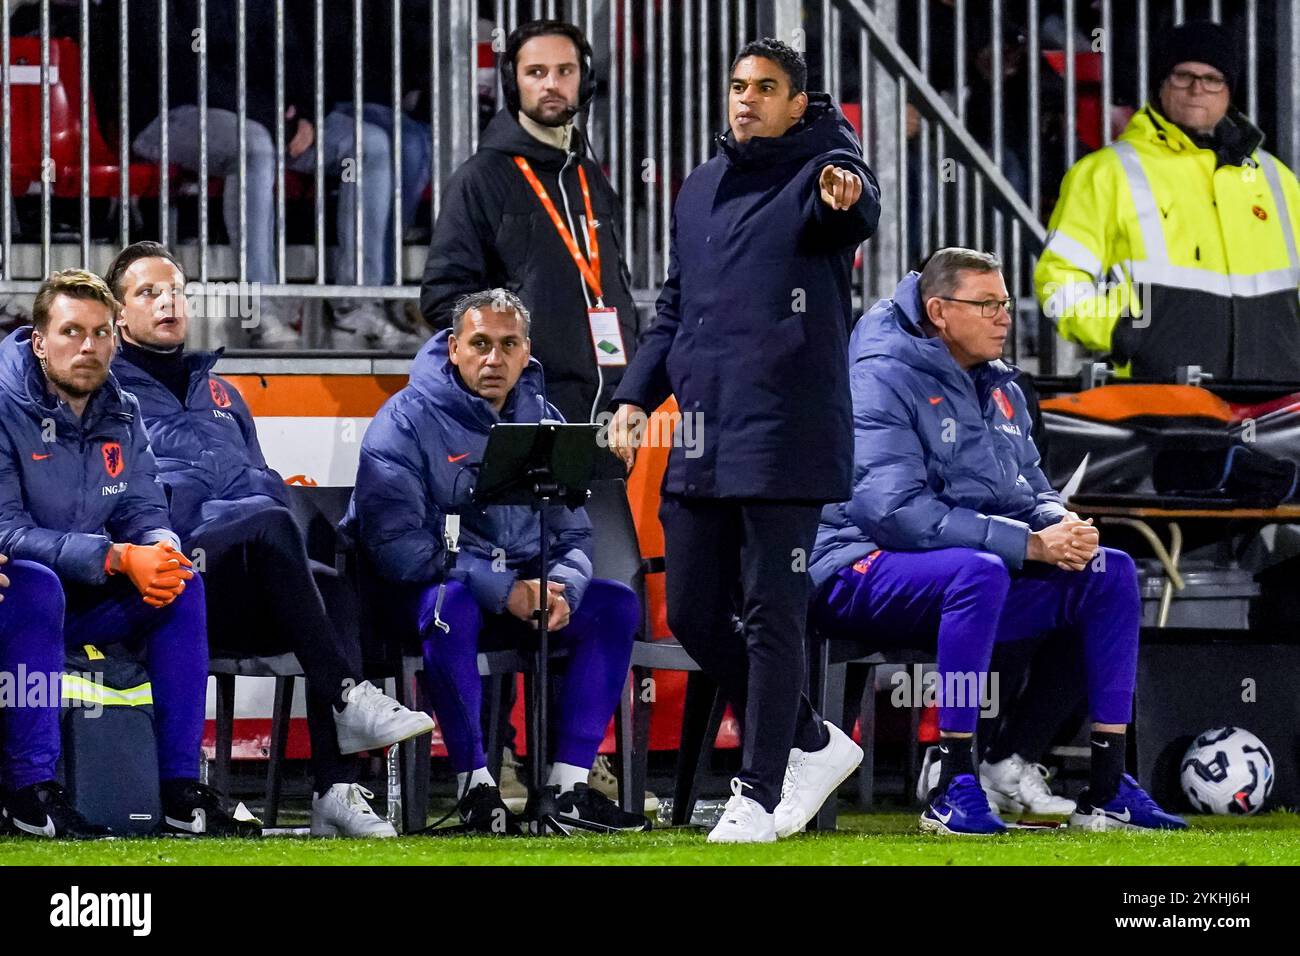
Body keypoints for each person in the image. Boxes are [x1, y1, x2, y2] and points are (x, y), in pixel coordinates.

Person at [810, 248, 1187, 834]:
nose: (1004, 316)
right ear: (938, 310)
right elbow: (895, 514)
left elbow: (1029, 485)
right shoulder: (880, 374)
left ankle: (1108, 786)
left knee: (1106, 572)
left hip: (963, 569)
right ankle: (953, 779)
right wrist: (1029, 545)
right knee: (979, 570)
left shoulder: (998, 383)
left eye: (1005, 303)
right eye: (986, 304)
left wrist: (1057, 523)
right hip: (857, 563)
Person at [607, 38, 880, 843]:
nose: (747, 99)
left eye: (766, 88)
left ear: (799, 102)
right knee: (691, 612)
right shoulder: (697, 187)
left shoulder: (824, 169)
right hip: (699, 432)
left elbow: (856, 205)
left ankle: (758, 795)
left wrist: (845, 193)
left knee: (772, 616)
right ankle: (810, 739)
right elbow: (674, 310)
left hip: (786, 435)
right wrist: (631, 399)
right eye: (737, 86)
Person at [104, 242, 434, 838]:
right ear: (119, 314)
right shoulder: (109, 395)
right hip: (177, 574)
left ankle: (335, 790)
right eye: (148, 293)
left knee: (333, 586)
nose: (168, 302)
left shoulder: (224, 393)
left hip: (248, 571)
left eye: (176, 290)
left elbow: (264, 482)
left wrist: (269, 504)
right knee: (272, 522)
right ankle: (346, 697)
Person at [344, 288, 648, 835]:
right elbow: (398, 548)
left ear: (526, 351)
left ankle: (567, 788)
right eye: (480, 344)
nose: (493, 359)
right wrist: (502, 586)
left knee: (613, 605)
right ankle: (476, 788)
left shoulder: (544, 414)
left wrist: (561, 587)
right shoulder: (404, 420)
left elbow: (573, 531)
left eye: (508, 345)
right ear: (454, 348)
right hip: (422, 595)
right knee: (451, 602)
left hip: (517, 593)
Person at [0, 269, 248, 837]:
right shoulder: (3, 406)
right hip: (19, 597)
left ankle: (180, 790)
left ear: (116, 337)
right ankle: (30, 790)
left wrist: (160, 549)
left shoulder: (123, 409)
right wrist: (113, 558)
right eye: (70, 332)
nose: (87, 347)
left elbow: (144, 510)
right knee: (37, 582)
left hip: (81, 593)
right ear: (39, 340)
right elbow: (6, 532)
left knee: (184, 583)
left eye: (100, 333)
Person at [129, 0, 416, 349]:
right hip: (170, 113)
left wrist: (307, 112)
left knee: (370, 145)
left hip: (268, 118)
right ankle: (261, 310)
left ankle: (357, 308)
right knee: (256, 146)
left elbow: (292, 56)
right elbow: (179, 73)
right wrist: (271, 117)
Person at [1035, 19, 1300, 381]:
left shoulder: (1275, 178)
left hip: (1276, 398)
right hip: (1159, 396)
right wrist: (1121, 332)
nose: (1197, 89)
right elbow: (1058, 279)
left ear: (1229, 90)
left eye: (1212, 78)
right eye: (1183, 75)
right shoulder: (1107, 172)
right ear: (1161, 83)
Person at [420, 20, 640, 425]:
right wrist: (509, 370)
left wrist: (630, 388)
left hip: (609, 413)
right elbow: (442, 297)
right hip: (525, 414)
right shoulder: (481, 178)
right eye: (536, 72)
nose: (551, 84)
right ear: (513, 83)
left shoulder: (591, 178)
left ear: (584, 80)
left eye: (565, 71)